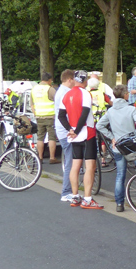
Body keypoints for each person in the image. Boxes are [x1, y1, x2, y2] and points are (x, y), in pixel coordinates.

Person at [57, 70, 103, 209]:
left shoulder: (67, 94)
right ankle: (87, 199)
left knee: (75, 165)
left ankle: (75, 196)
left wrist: (70, 130)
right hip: (87, 132)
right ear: (84, 81)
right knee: (90, 166)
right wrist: (77, 130)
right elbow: (84, 113)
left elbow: (61, 116)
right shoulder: (85, 93)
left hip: (73, 135)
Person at [96, 85, 136, 212]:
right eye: (127, 93)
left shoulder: (110, 111)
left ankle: (119, 204)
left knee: (120, 175)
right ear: (125, 95)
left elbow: (99, 125)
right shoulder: (131, 109)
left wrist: (112, 137)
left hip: (118, 146)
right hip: (132, 145)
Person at [55, 69, 76, 202]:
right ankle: (66, 191)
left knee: (71, 160)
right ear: (69, 79)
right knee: (70, 161)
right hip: (66, 131)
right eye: (74, 79)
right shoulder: (66, 93)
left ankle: (68, 189)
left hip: (62, 129)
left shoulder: (60, 91)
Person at [30, 72, 60, 164]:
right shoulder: (50, 89)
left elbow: (31, 105)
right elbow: (58, 101)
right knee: (51, 137)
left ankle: (40, 157)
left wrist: (36, 114)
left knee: (40, 137)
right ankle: (52, 158)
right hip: (50, 116)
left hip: (39, 117)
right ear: (49, 80)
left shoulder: (34, 89)